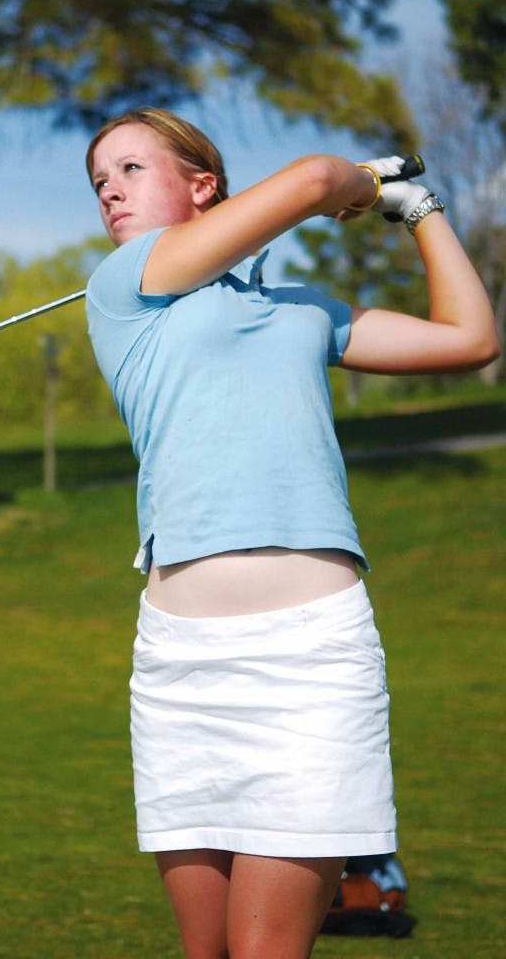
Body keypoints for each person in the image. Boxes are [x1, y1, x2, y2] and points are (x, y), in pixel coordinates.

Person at [83, 107, 500, 959]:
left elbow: (471, 339)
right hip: (179, 665)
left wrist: (413, 208)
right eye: (99, 182)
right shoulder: (125, 287)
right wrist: (359, 183)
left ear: (203, 186)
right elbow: (314, 181)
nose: (110, 194)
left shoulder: (303, 311)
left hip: (312, 659)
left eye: (131, 170)